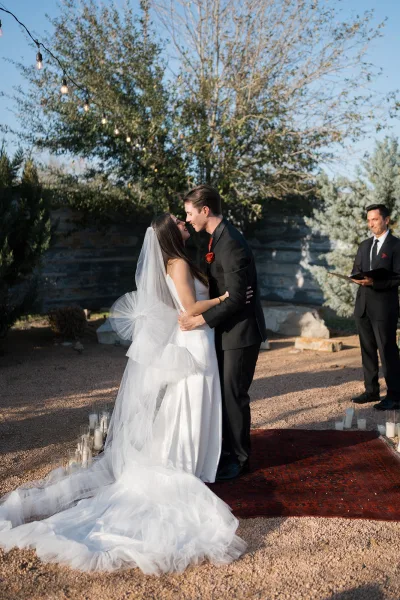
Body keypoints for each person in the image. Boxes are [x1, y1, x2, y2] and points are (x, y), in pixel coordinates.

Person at [0, 214, 246, 574]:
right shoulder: (177, 263)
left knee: (194, 402)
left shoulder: (181, 260)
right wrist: (224, 298)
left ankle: (199, 459)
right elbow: (190, 308)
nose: (182, 223)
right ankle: (188, 461)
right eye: (178, 222)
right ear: (168, 233)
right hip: (195, 339)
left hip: (199, 337)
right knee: (189, 402)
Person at [179, 185, 267, 480]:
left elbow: (238, 296)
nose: (188, 219)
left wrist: (200, 320)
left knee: (234, 395)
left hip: (241, 333)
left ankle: (240, 460)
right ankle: (226, 452)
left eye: (190, 213)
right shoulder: (215, 239)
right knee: (225, 394)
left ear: (205, 211)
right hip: (226, 331)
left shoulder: (231, 243)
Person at [351, 204, 400, 410]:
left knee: (387, 350)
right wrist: (357, 279)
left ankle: (395, 396)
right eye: (369, 220)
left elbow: (399, 277)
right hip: (363, 306)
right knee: (367, 350)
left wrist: (375, 283)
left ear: (386, 220)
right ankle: (371, 391)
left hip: (383, 307)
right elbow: (356, 270)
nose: (371, 224)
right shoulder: (364, 246)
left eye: (375, 219)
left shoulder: (396, 246)